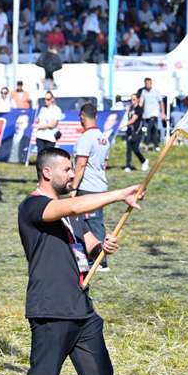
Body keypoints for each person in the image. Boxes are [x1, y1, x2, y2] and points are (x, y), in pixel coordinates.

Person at [17, 147, 148, 375]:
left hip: (82, 309)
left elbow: (89, 246)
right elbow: (74, 206)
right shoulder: (33, 206)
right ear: (47, 172)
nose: (72, 174)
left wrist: (103, 247)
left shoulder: (71, 215)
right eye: (66, 169)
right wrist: (119, 194)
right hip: (51, 308)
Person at [71, 102, 111, 270]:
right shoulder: (103, 138)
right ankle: (92, 257)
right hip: (100, 185)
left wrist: (73, 187)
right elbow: (105, 163)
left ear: (82, 117)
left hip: (88, 187)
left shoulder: (86, 138)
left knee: (92, 224)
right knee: (93, 222)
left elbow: (81, 164)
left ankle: (100, 261)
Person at [122, 93, 147, 171]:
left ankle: (144, 161)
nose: (132, 101)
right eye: (131, 99)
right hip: (129, 131)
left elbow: (133, 120)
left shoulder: (139, 109)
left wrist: (123, 125)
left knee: (135, 148)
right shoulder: (130, 108)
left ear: (138, 100)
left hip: (137, 131)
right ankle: (128, 166)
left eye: (134, 99)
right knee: (128, 149)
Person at [138, 77, 165, 150]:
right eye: (146, 83)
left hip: (154, 114)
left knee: (148, 129)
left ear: (151, 83)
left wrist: (163, 113)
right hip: (146, 115)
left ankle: (146, 145)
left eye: (149, 83)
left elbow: (161, 102)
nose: (147, 85)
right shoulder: (143, 92)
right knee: (154, 130)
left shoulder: (156, 92)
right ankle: (156, 146)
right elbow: (141, 103)